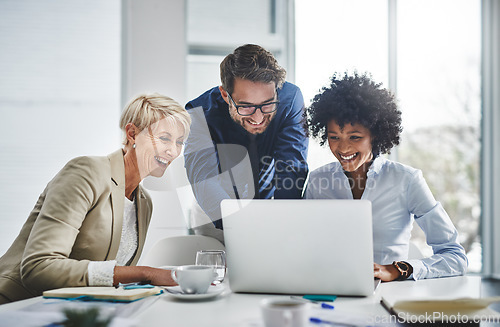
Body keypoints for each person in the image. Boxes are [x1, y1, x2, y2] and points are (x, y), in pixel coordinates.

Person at [0, 93, 191, 304]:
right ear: (132, 134)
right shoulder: (86, 172)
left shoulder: (144, 202)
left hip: (78, 313)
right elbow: (39, 267)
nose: (173, 151)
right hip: (16, 306)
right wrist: (145, 273)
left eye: (180, 142)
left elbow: (108, 279)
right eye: (164, 138)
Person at [305, 72, 468, 281]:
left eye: (355, 137)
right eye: (334, 137)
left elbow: (455, 257)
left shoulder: (407, 180)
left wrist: (396, 270)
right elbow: (304, 245)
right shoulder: (318, 181)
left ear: (375, 134)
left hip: (388, 295)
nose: (343, 147)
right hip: (329, 288)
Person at [184, 44, 309, 238]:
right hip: (214, 211)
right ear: (226, 95)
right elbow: (204, 182)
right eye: (246, 106)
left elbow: (291, 167)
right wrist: (242, 229)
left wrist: (286, 222)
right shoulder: (198, 113)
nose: (258, 118)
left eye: (267, 104)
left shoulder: (290, 100)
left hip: (267, 203)